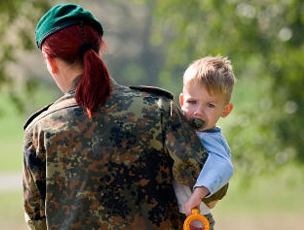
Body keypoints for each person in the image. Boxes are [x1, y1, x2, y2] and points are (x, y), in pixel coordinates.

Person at [22, 4, 217, 230]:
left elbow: (37, 222)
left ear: (51, 61)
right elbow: (210, 188)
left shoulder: (39, 131)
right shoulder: (160, 110)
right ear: (99, 50)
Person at [173, 56, 236, 229]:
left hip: (195, 220)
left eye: (210, 105)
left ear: (225, 110)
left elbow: (223, 165)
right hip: (169, 214)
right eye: (192, 102)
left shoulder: (211, 139)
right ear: (181, 101)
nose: (198, 112)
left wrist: (198, 194)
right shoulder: (176, 130)